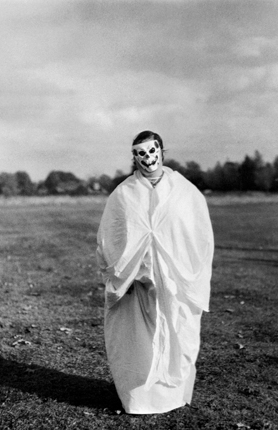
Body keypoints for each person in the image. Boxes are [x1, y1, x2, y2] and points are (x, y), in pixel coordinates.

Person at [96, 130, 214, 414]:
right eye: (140, 153)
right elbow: (110, 237)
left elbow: (199, 235)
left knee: (178, 333)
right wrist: (126, 271)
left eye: (152, 151)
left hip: (175, 281)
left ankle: (171, 396)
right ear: (134, 157)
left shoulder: (184, 191)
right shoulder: (123, 194)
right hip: (135, 282)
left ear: (161, 150)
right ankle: (139, 400)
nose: (147, 158)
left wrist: (185, 269)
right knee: (138, 342)